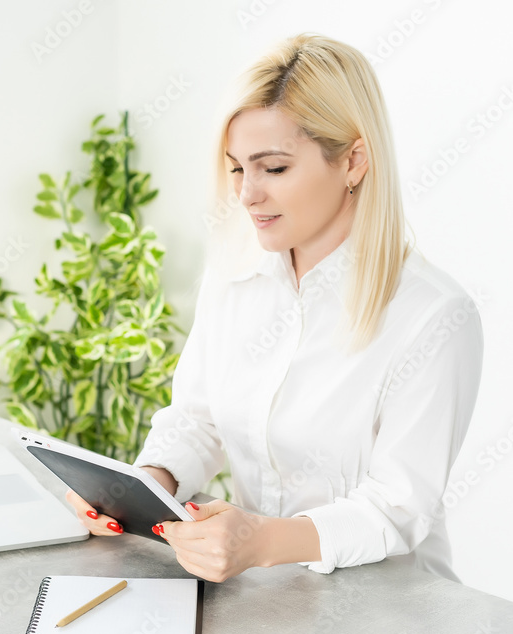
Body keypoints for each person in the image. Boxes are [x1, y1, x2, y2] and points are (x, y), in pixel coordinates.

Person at [65, 32, 484, 584]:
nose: (247, 194)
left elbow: (398, 508)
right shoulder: (235, 278)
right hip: (262, 601)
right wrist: (142, 488)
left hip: (388, 615)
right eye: (238, 168)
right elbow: (197, 421)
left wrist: (261, 541)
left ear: (354, 161)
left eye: (274, 168)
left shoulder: (434, 316)